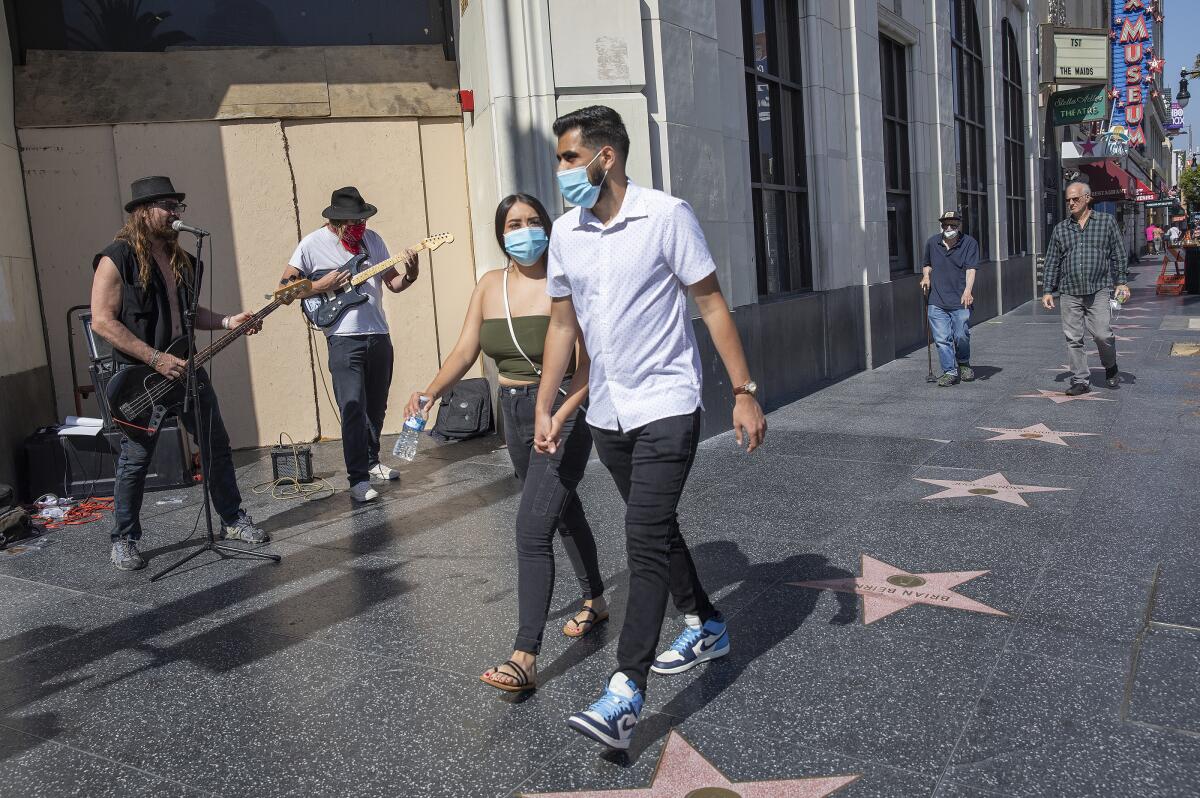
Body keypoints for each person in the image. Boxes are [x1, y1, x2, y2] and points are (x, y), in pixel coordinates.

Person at [534, 105, 767, 750]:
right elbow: (561, 325)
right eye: (560, 159)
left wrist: (743, 392)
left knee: (641, 536)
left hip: (668, 403)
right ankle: (707, 622)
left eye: (569, 158)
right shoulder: (565, 234)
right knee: (655, 527)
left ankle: (624, 693)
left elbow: (711, 302)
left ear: (605, 157)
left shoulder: (667, 215)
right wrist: (548, 404)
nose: (561, 171)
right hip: (608, 411)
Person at [404, 193, 607, 693]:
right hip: (512, 410)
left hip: (561, 409)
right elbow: (466, 348)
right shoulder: (489, 286)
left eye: (534, 221)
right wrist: (429, 392)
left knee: (531, 527)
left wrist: (559, 414)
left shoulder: (565, 282)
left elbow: (588, 364)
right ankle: (597, 601)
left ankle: (525, 655)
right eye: (514, 223)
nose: (525, 231)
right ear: (501, 234)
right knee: (560, 510)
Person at [90, 176, 269, 571]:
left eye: (178, 206)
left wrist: (226, 319)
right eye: (167, 205)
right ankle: (124, 539)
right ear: (142, 211)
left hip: (185, 366)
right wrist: (154, 359)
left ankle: (232, 520)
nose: (175, 213)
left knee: (215, 443)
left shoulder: (185, 261)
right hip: (141, 374)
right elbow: (102, 322)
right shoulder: (115, 258)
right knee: (136, 459)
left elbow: (188, 316)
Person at [278, 187, 418, 502]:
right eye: (354, 222)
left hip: (378, 334)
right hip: (343, 339)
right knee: (352, 407)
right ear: (337, 221)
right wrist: (318, 285)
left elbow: (393, 283)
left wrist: (412, 274)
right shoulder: (311, 245)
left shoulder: (374, 241)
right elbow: (283, 291)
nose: (360, 227)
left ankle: (370, 462)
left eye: (363, 220)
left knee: (377, 405)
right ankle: (357, 480)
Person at [1042, 181, 1129, 395]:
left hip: (1098, 288)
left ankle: (1111, 367)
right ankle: (1080, 379)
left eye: (1075, 199)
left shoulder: (1106, 222)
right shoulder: (1061, 229)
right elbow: (1052, 261)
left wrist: (1121, 281)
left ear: (1088, 198)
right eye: (1068, 200)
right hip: (1069, 290)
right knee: (1073, 338)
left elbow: (1118, 254)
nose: (1071, 203)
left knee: (1102, 334)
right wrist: (1047, 290)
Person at [919, 210, 978, 387]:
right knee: (942, 339)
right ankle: (949, 371)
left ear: (959, 225)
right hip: (936, 299)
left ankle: (963, 363)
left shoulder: (969, 243)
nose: (949, 228)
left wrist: (968, 291)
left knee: (961, 335)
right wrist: (926, 277)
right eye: (946, 224)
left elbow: (971, 269)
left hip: (960, 299)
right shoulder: (932, 242)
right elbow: (927, 264)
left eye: (953, 225)